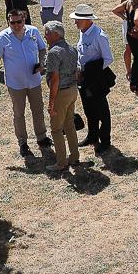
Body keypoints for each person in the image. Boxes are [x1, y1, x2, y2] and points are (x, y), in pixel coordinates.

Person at [0, 9, 51, 157]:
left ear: (24, 20)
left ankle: (41, 137)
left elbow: (43, 49)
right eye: (13, 22)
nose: (16, 25)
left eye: (19, 21)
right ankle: (23, 142)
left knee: (38, 110)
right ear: (8, 22)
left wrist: (42, 63)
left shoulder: (33, 32)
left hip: (34, 80)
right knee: (19, 113)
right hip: (15, 84)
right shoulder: (2, 38)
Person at [72, 4, 115, 153]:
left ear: (87, 20)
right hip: (84, 79)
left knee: (102, 110)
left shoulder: (99, 36)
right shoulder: (83, 32)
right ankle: (92, 135)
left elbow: (108, 59)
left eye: (78, 20)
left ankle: (105, 140)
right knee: (88, 108)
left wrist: (91, 71)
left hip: (96, 79)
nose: (75, 22)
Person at [43, 21, 81, 173]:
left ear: (55, 35)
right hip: (72, 90)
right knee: (69, 124)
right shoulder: (72, 49)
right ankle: (74, 156)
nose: (45, 36)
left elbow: (54, 80)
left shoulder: (54, 53)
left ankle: (61, 162)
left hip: (61, 93)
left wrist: (51, 102)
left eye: (47, 33)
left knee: (56, 129)